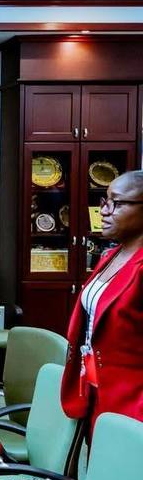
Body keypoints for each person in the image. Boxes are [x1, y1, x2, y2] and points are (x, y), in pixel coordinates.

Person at [61, 171, 143, 440]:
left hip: (131, 404)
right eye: (105, 201)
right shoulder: (111, 255)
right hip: (95, 392)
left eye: (116, 203)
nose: (104, 211)